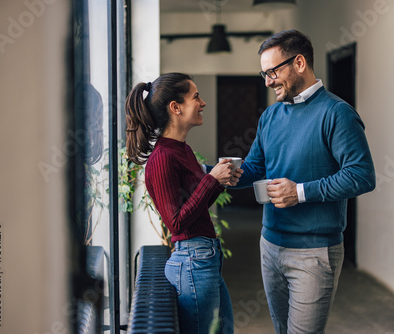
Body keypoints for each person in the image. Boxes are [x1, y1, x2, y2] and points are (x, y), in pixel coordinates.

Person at [233, 30, 376, 333]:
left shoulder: (337, 114)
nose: (268, 81)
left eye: (273, 71)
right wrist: (209, 172)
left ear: (299, 63)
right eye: (264, 73)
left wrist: (299, 192)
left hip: (314, 253)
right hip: (270, 245)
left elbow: (361, 175)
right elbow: (255, 168)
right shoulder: (270, 116)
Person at [125, 73, 242, 334]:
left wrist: (220, 180)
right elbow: (175, 222)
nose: (203, 103)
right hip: (193, 260)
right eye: (196, 97)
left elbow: (196, 206)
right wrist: (211, 180)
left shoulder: (183, 149)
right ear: (175, 108)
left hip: (206, 257)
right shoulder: (162, 157)